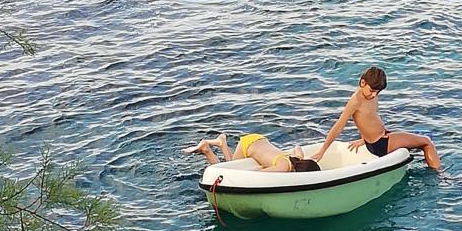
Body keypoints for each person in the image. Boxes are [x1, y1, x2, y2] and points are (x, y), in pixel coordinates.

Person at [312, 67, 441, 170]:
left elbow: (368, 119)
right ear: (362, 83)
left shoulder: (369, 95)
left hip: (379, 139)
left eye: (377, 92)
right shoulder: (355, 101)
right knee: (426, 142)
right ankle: (440, 175)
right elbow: (339, 126)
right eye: (372, 90)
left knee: (416, 142)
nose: (374, 95)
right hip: (380, 144)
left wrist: (364, 139)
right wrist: (322, 151)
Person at [184, 133, 320, 173]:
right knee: (229, 168)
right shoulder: (283, 167)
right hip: (247, 145)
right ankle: (207, 150)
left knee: (232, 162)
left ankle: (221, 142)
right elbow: (259, 174)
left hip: (259, 138)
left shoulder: (296, 158)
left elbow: (297, 146)